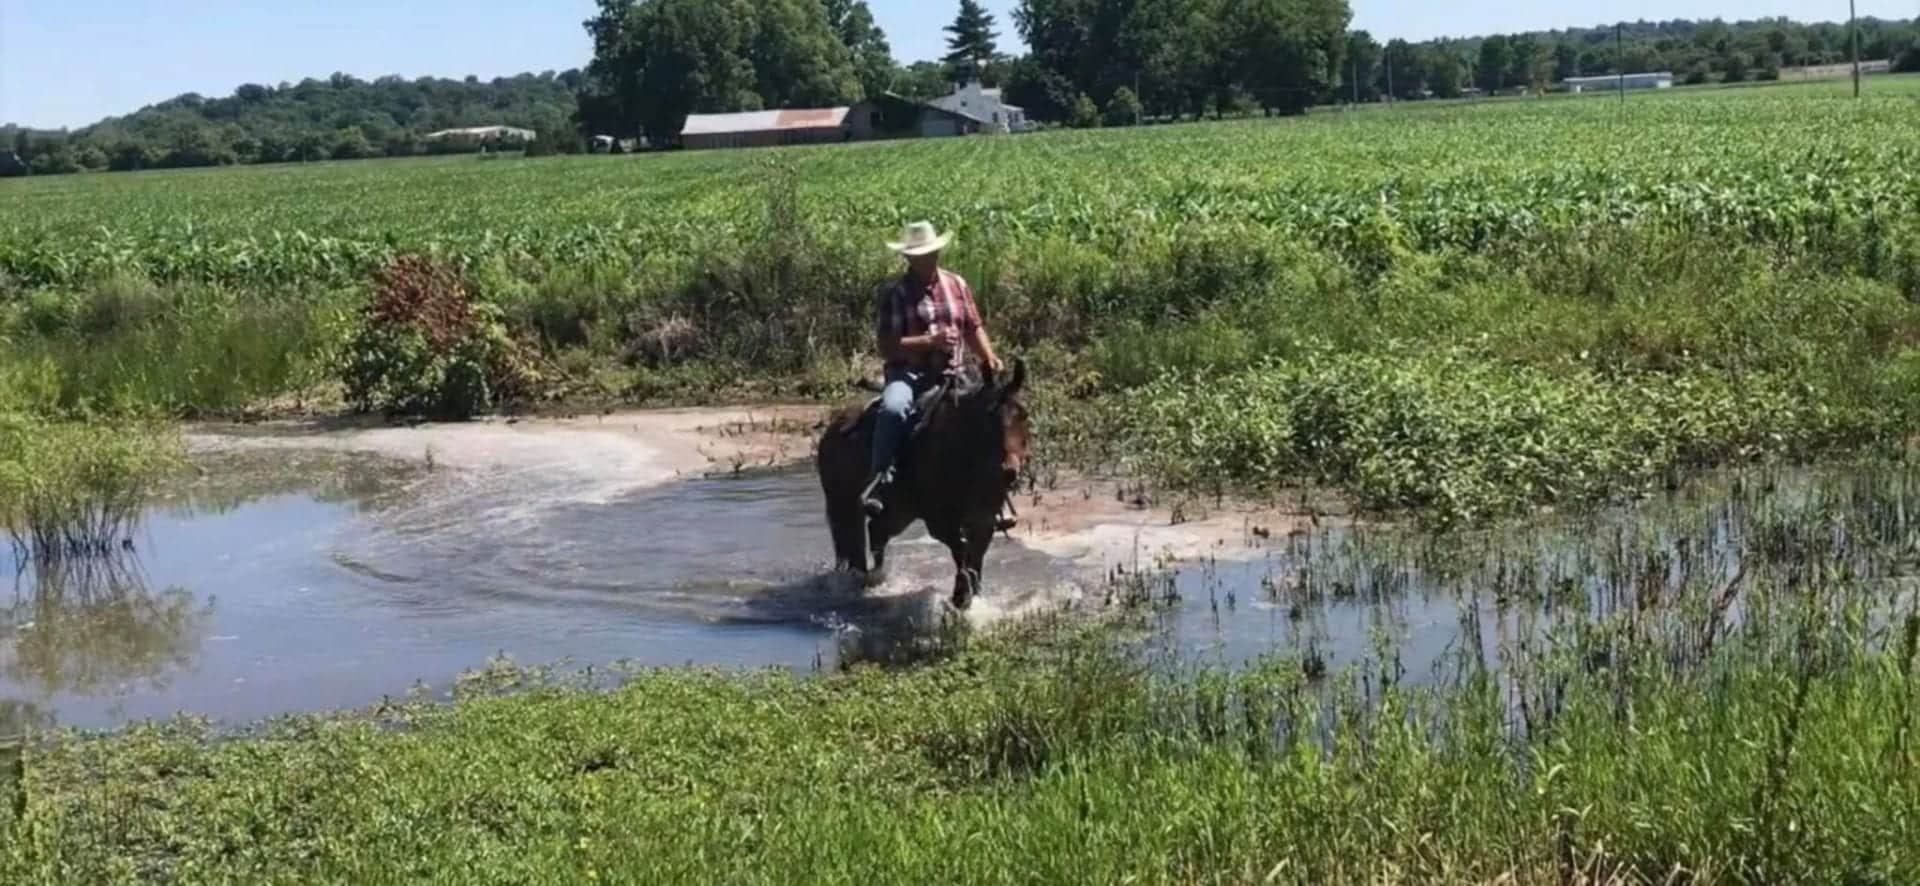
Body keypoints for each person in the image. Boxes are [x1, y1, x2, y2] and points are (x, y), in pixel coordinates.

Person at [864, 220, 1005, 516]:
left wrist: (989, 357)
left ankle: (994, 491)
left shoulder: (957, 284)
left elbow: (973, 326)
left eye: (929, 254)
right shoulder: (895, 293)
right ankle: (881, 478)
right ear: (908, 258)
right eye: (919, 256)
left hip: (956, 371)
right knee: (893, 409)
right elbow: (887, 346)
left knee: (992, 413)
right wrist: (930, 341)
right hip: (910, 373)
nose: (926, 260)